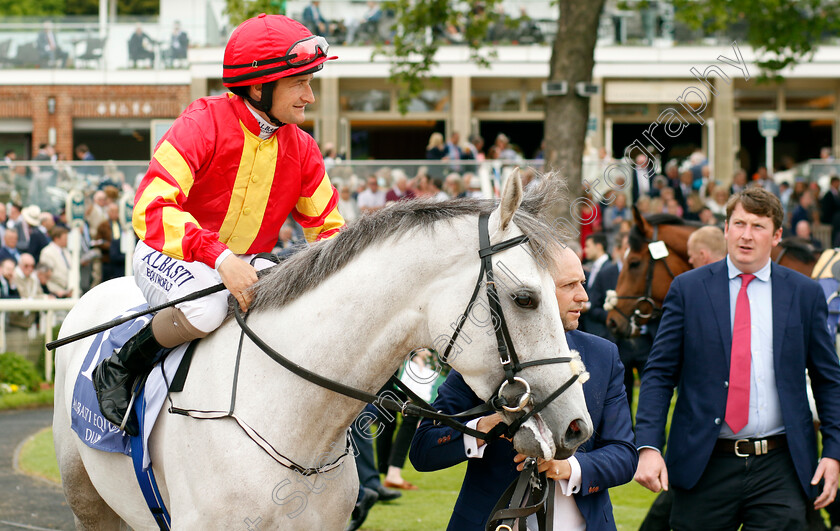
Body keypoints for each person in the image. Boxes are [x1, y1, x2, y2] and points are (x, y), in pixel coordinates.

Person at [91, 13, 345, 436]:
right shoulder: (202, 122)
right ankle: (122, 364)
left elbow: (328, 232)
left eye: (309, 82)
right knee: (207, 308)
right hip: (168, 250)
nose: (310, 96)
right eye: (300, 83)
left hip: (244, 262)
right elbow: (151, 208)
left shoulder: (303, 148)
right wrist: (220, 257)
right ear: (260, 85)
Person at [634, 186, 840, 530]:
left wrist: (833, 452)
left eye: (758, 227)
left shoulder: (804, 293)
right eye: (739, 224)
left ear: (776, 236)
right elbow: (658, 375)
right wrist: (649, 447)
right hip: (705, 463)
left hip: (781, 466)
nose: (746, 236)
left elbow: (828, 379)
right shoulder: (688, 290)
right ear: (725, 229)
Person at [410, 246, 637, 530]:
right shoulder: (485, 358)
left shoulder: (603, 355)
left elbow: (624, 454)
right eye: (569, 285)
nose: (584, 296)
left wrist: (569, 468)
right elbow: (424, 450)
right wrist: (487, 426)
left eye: (582, 281)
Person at [37, 226, 72, 298]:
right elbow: (47, 273)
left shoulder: (67, 252)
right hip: (55, 291)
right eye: (65, 239)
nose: (67, 241)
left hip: (68, 291)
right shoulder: (47, 252)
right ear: (56, 238)